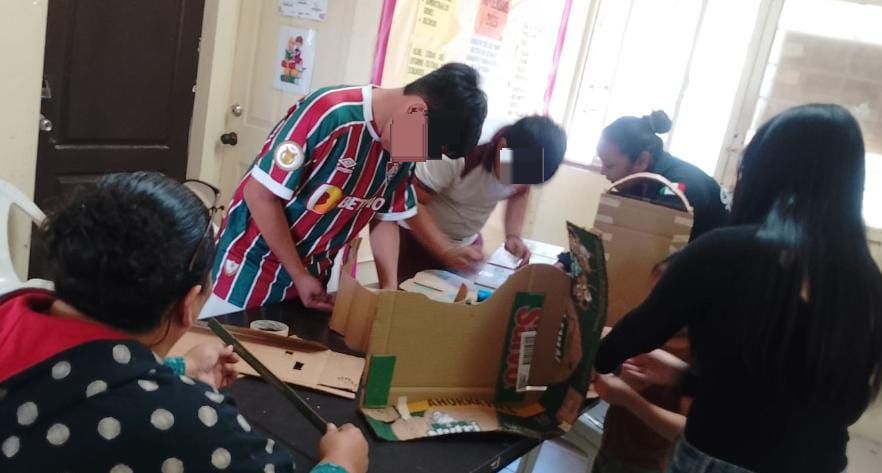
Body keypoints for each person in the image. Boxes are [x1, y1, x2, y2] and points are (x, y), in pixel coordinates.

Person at [0, 172, 369, 473]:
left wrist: (176, 368)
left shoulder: (12, 311)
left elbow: (62, 380)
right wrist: (341, 463)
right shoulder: (186, 422)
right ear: (187, 305)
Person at [595, 104, 882, 473]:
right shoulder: (866, 281)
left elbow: (636, 333)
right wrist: (683, 376)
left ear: (764, 171)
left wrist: (593, 364)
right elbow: (811, 400)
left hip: (720, 459)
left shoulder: (727, 251)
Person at [203, 63, 487, 316]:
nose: (419, 155)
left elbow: (385, 216)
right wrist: (298, 273)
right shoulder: (331, 113)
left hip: (312, 278)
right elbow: (259, 194)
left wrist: (388, 288)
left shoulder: (405, 148)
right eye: (426, 145)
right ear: (416, 109)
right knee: (233, 351)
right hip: (248, 269)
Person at [396, 116, 567, 284]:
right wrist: (446, 250)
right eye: (517, 176)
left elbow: (520, 194)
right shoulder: (460, 150)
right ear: (502, 147)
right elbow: (412, 200)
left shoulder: (524, 162)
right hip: (415, 239)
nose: (517, 185)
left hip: (465, 243)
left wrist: (513, 235)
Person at [592, 254, 690, 473]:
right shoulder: (644, 327)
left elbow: (689, 433)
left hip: (650, 466)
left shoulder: (702, 354)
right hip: (611, 450)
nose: (655, 309)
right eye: (653, 296)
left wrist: (630, 399)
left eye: (667, 298)